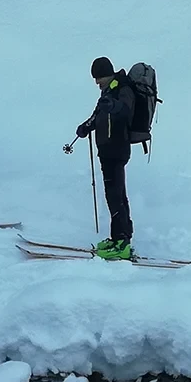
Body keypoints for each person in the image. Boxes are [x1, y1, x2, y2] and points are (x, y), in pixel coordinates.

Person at [76, 57, 136, 260]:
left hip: (116, 150)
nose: (96, 82)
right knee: (117, 194)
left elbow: (126, 111)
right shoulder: (108, 91)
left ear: (107, 73)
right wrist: (86, 127)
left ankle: (122, 243)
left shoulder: (122, 87)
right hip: (107, 151)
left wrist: (113, 106)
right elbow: (98, 114)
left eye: (99, 77)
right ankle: (119, 238)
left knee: (115, 196)